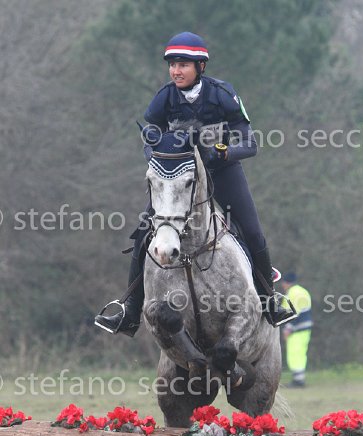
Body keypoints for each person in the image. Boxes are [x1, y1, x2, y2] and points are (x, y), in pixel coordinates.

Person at [95, 31, 296, 337]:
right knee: (143, 233)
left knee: (252, 231)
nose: (176, 71)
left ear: (200, 67)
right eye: (172, 65)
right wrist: (157, 159)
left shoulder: (222, 94)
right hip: (178, 179)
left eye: (183, 65)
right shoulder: (164, 97)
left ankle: (270, 301)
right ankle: (130, 310)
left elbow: (250, 144)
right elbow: (149, 140)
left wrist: (223, 152)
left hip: (222, 172)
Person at [281, 273, 313, 387]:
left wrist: (288, 329)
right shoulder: (303, 291)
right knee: (301, 354)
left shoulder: (292, 293)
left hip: (296, 329)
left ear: (286, 283)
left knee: (294, 354)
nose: (282, 285)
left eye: (283, 282)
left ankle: (297, 381)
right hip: (306, 328)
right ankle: (299, 379)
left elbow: (292, 313)